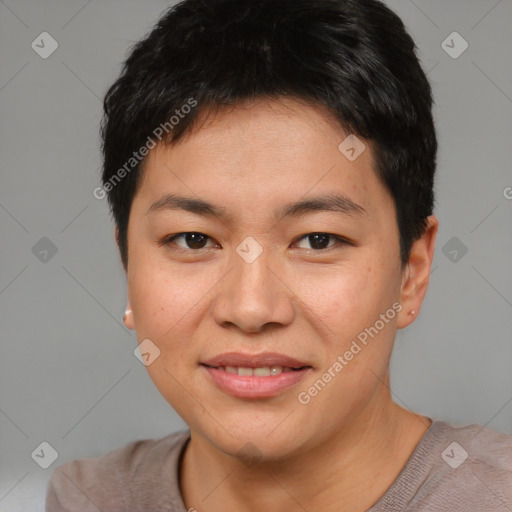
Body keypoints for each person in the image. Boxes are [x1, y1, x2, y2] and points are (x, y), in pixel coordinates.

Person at [45, 0, 512, 510]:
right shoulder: (90, 499)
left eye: (317, 240)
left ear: (411, 274)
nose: (251, 309)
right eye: (194, 240)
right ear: (128, 267)